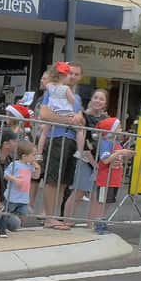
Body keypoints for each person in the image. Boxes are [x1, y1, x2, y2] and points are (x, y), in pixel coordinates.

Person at [37, 63, 85, 229]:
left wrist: (71, 120)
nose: (72, 76)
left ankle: (54, 216)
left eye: (75, 74)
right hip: (56, 137)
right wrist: (67, 120)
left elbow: (80, 120)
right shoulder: (51, 91)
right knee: (52, 180)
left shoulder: (76, 97)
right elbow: (44, 114)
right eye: (69, 73)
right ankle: (49, 216)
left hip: (71, 140)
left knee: (64, 181)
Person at [61, 89, 109, 227]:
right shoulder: (83, 116)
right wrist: (92, 162)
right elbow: (82, 140)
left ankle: (91, 223)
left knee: (96, 195)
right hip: (85, 159)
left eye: (101, 99)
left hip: (101, 160)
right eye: (96, 97)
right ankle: (67, 221)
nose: (98, 101)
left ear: (105, 103)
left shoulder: (106, 119)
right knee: (78, 192)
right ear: (91, 99)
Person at [2, 140, 37, 229]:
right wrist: (15, 179)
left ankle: (17, 223)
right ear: (24, 156)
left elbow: (36, 176)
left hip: (23, 197)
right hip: (12, 196)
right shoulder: (15, 164)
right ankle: (1, 228)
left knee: (25, 212)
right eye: (33, 155)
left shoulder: (30, 166)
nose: (35, 158)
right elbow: (5, 174)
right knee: (7, 213)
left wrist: (38, 168)